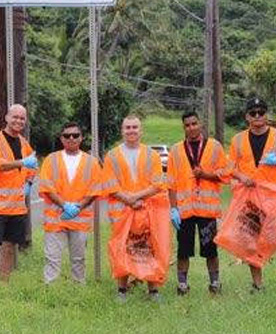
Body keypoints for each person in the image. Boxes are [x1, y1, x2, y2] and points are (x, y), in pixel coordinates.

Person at [229, 97, 276, 290]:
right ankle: (257, 285)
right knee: (251, 243)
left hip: (275, 201)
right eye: (253, 113)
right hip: (250, 200)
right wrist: (241, 177)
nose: (257, 116)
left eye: (261, 112)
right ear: (247, 117)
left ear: (266, 115)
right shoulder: (237, 140)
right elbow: (229, 168)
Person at [104, 115, 170, 302]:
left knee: (149, 248)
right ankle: (122, 290)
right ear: (122, 131)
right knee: (122, 248)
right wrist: (128, 199)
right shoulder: (112, 156)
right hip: (121, 212)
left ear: (141, 131)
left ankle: (153, 290)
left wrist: (136, 197)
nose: (131, 131)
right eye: (127, 127)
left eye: (134, 127)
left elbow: (157, 183)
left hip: (146, 210)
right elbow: (109, 184)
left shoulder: (152, 155)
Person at [38, 122, 109, 284]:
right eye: (67, 136)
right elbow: (47, 187)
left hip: (80, 218)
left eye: (75, 135)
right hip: (56, 218)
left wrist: (78, 207)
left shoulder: (91, 162)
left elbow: (95, 189)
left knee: (78, 259)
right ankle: (50, 291)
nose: (71, 138)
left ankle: (78, 289)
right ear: (61, 139)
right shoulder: (51, 160)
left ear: (81, 138)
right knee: (52, 258)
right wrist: (65, 206)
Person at [167, 111, 229, 296]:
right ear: (183, 127)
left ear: (200, 124)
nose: (191, 128)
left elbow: (225, 174)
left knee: (210, 249)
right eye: (187, 125)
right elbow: (170, 182)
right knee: (183, 250)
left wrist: (205, 175)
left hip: (207, 209)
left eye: (194, 123)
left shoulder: (215, 147)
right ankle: (182, 285)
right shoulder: (176, 150)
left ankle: (215, 283)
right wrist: (173, 209)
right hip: (184, 210)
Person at [0, 104, 38, 283]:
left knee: (10, 246)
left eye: (22, 118)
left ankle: (4, 285)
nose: (18, 121)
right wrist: (21, 163)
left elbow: (32, 167)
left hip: (16, 207)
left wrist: (29, 183)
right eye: (15, 117)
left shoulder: (24, 143)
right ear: (7, 118)